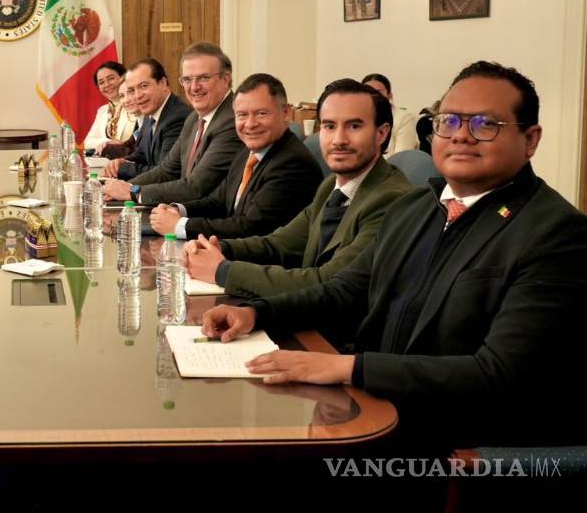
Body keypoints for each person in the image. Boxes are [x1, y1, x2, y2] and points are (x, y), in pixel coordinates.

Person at [201, 61, 587, 449]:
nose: (461, 136)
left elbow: (497, 373)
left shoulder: (555, 233)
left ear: (530, 139)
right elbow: (345, 290)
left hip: (451, 441)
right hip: (374, 406)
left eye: (485, 124)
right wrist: (256, 313)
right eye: (449, 121)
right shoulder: (416, 207)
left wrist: (349, 368)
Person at [183, 79, 412, 305]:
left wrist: (223, 271)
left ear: (381, 134)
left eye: (354, 126)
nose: (339, 140)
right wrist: (218, 247)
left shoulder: (391, 199)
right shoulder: (331, 186)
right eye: (329, 126)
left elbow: (327, 282)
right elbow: (279, 244)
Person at [149, 73, 320, 239]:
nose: (250, 124)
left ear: (286, 113)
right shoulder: (248, 151)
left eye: (261, 113)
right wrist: (178, 210)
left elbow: (249, 228)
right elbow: (219, 202)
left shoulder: (292, 164)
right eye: (242, 115)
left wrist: (179, 226)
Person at [104, 42, 244, 204]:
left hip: (208, 216)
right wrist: (123, 188)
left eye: (204, 78)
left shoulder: (233, 120)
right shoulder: (194, 118)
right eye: (187, 79)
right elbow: (167, 170)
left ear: (226, 79)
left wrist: (134, 192)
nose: (194, 87)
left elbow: (195, 187)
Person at [102, 58, 190, 180]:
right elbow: (142, 153)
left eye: (143, 86)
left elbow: (166, 173)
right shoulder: (151, 112)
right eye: (132, 90)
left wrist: (124, 169)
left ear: (163, 83)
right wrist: (121, 162)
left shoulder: (177, 117)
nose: (137, 96)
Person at [82, 61, 135, 154]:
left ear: (123, 78)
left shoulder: (135, 105)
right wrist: (107, 142)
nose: (106, 85)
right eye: (101, 82)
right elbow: (88, 142)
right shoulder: (103, 110)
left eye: (111, 78)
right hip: (106, 160)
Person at [362, 73, 418, 155]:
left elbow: (402, 157)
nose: (372, 96)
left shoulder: (404, 118)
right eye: (367, 92)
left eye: (378, 92)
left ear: (389, 95)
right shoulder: (356, 117)